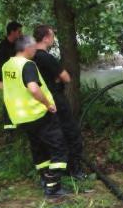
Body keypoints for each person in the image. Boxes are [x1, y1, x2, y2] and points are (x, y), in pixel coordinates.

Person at [2, 36, 68, 197]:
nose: (35, 51)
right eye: (33, 48)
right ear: (27, 48)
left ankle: (45, 179)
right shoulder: (28, 65)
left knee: (38, 147)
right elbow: (33, 88)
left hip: (21, 116)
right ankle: (53, 187)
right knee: (59, 147)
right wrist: (47, 103)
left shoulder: (7, 65)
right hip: (38, 113)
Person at [32, 24, 85, 180]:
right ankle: (75, 170)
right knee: (71, 132)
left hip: (41, 101)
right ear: (46, 38)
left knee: (52, 135)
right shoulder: (46, 57)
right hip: (55, 98)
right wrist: (58, 77)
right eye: (52, 36)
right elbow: (66, 77)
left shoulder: (30, 56)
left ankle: (54, 169)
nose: (53, 39)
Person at [0, 21, 23, 131]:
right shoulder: (1, 49)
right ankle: (10, 130)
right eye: (19, 32)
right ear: (12, 32)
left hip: (20, 79)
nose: (21, 34)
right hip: (9, 80)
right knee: (9, 104)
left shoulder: (18, 46)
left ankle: (21, 124)